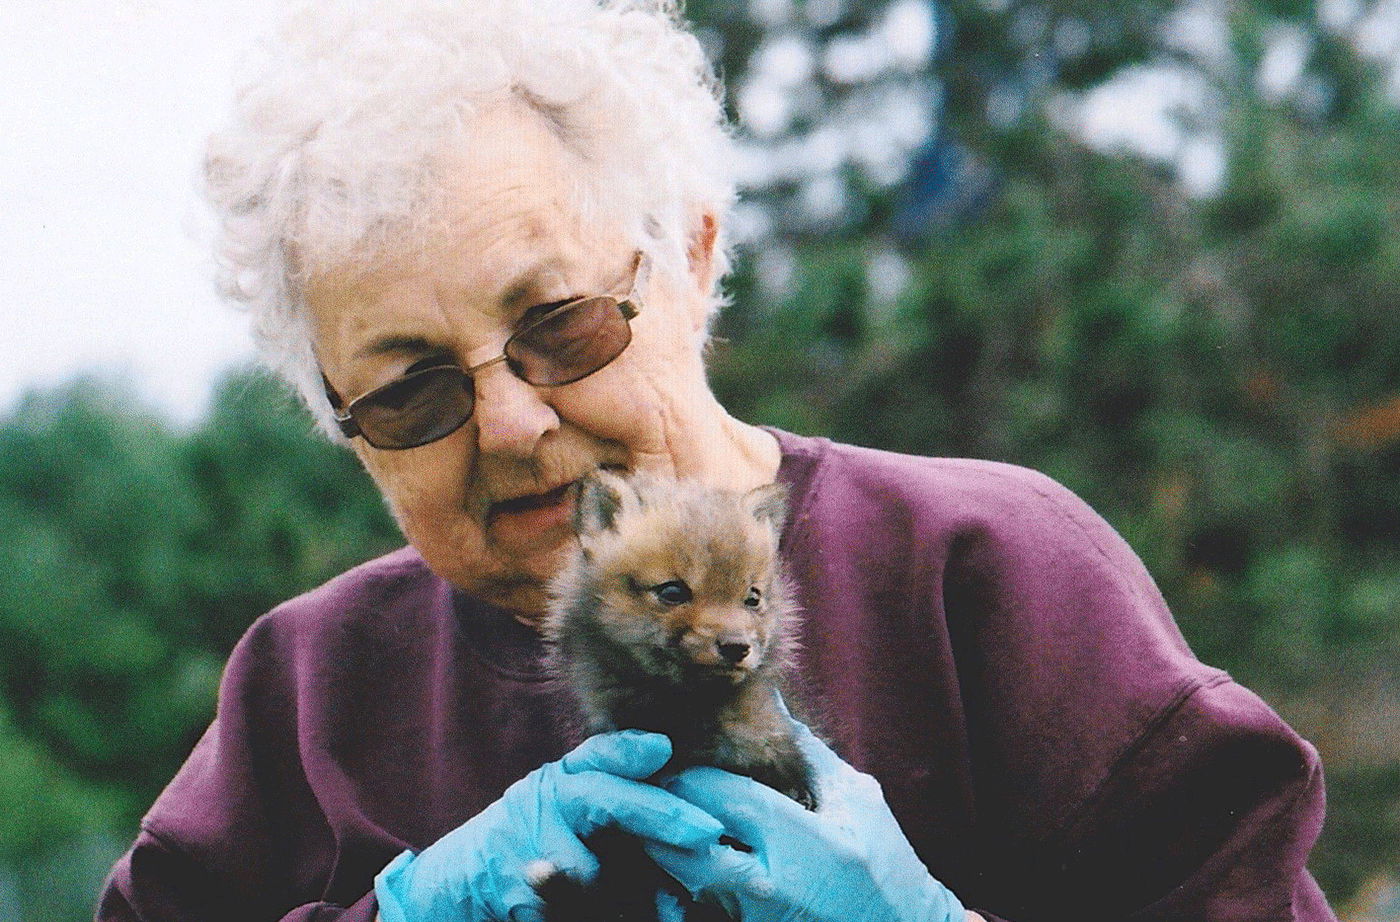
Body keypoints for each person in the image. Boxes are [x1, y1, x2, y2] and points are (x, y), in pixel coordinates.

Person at [97, 1, 1336, 920]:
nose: (514, 424)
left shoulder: (991, 579)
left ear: (688, 259)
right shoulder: (306, 693)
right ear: (343, 426)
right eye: (413, 389)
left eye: (558, 322)